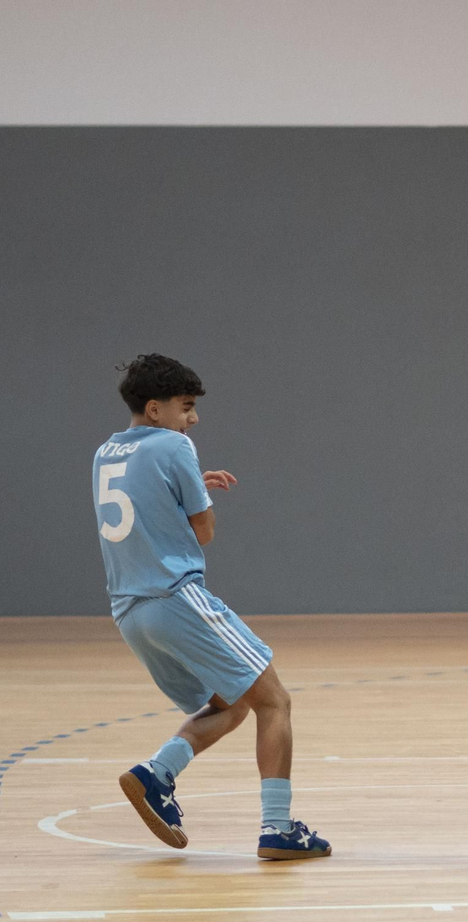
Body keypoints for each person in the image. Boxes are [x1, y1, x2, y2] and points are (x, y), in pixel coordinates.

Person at [93, 354, 329, 861]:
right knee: (275, 701)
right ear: (156, 409)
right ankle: (278, 828)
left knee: (234, 701)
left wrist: (189, 482)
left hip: (129, 612)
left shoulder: (107, 453)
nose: (193, 418)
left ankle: (156, 774)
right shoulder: (175, 445)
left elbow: (146, 496)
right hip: (175, 597)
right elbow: (204, 531)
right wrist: (194, 490)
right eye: (187, 407)